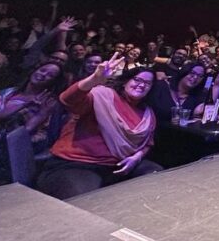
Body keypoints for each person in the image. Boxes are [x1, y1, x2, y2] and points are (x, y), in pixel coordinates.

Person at [37, 54, 162, 199]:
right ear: (125, 81)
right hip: (77, 164)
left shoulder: (147, 114)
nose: (141, 85)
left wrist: (137, 157)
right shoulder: (102, 96)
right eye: (137, 80)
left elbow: (147, 143)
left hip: (117, 167)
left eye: (147, 83)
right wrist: (93, 80)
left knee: (155, 175)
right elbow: (68, 100)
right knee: (89, 200)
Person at [0, 62, 64, 191]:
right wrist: (22, 104)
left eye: (50, 75)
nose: (43, 75)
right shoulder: (8, 93)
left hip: (26, 139)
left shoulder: (48, 101)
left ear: (53, 81)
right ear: (35, 70)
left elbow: (28, 129)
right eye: (43, 70)